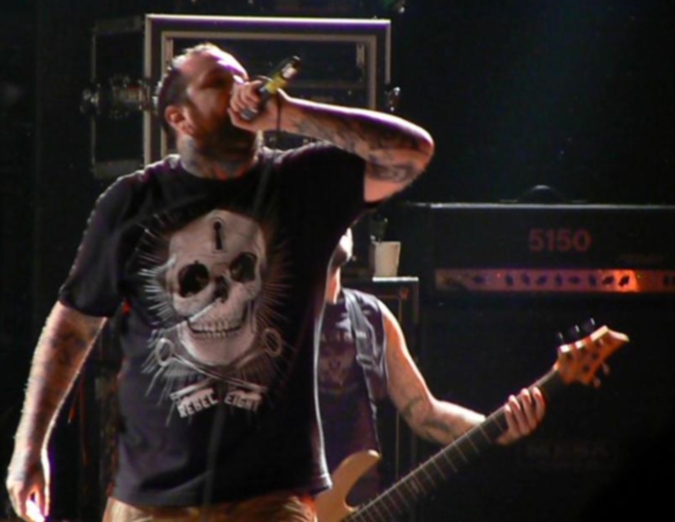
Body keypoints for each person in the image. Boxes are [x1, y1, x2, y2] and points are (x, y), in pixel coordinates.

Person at [5, 42, 434, 522]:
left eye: (242, 78)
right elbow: (73, 327)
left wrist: (289, 115)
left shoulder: (301, 182)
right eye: (217, 83)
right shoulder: (132, 201)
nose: (240, 88)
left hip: (273, 498)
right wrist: (30, 447)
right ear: (179, 118)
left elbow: (412, 153)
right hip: (151, 501)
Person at [317, 229, 546, 508]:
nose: (342, 222)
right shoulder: (276, 321)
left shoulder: (372, 318)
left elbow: (425, 414)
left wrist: (497, 428)